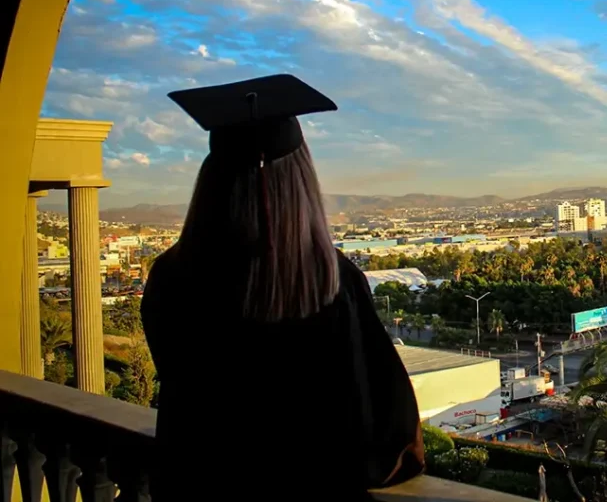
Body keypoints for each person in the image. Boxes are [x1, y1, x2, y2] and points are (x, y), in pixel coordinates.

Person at [141, 75, 424, 500]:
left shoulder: (171, 276)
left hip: (195, 483)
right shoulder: (329, 283)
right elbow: (382, 425)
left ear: (212, 177)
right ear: (301, 178)